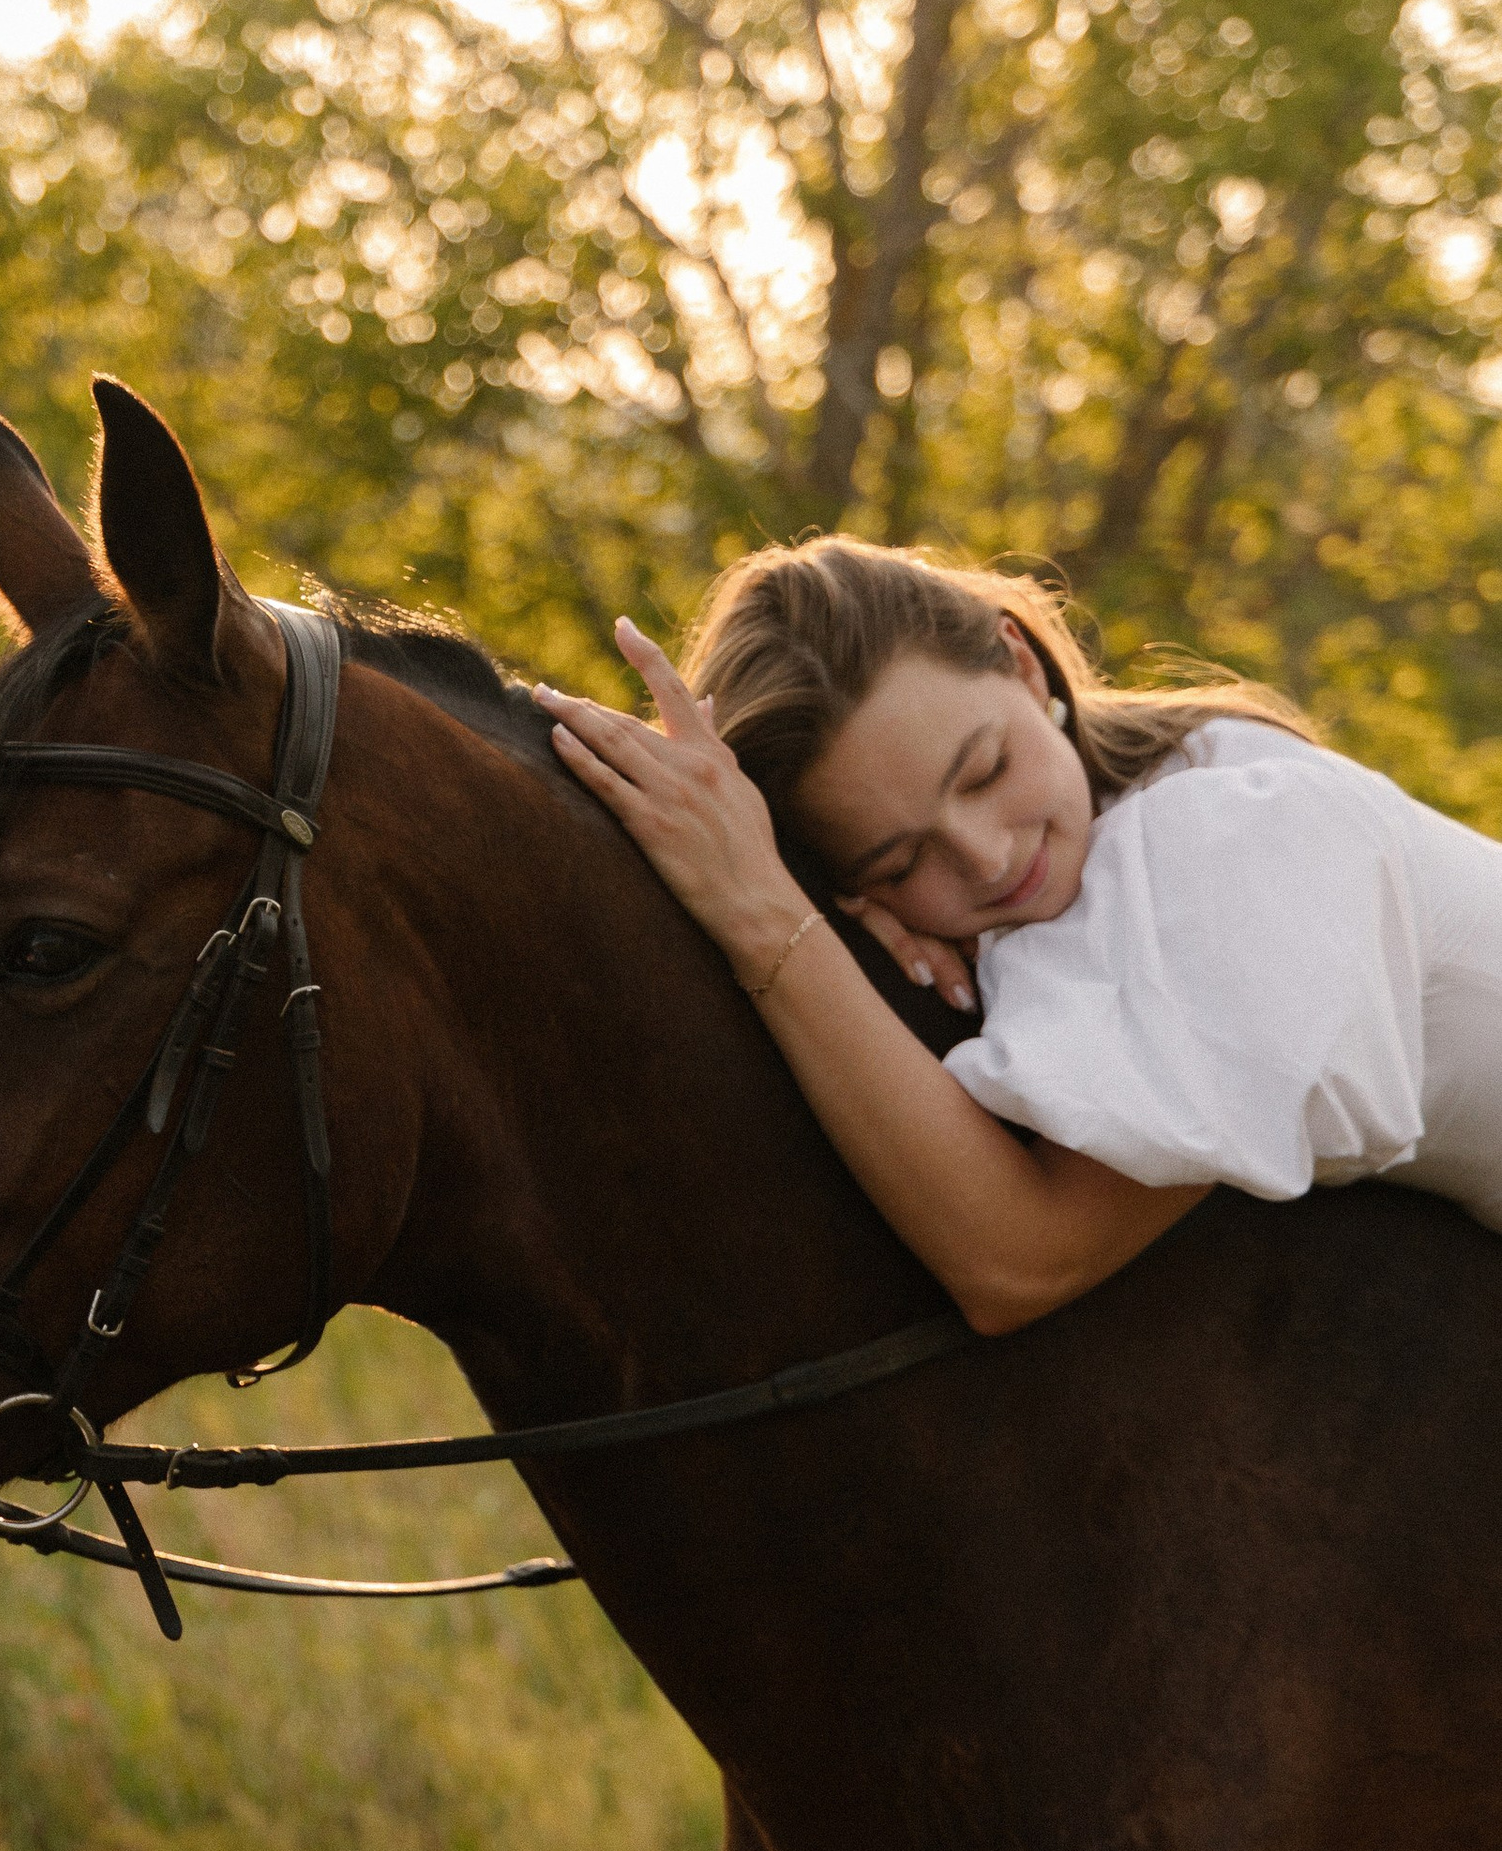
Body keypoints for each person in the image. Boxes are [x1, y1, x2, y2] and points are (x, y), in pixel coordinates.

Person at [536, 538, 1502, 1333]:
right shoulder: (1095, 855)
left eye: (984, 768)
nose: (988, 859)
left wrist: (765, 914)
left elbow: (1020, 1261)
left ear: (1023, 660)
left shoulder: (1235, 833)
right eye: (901, 861)